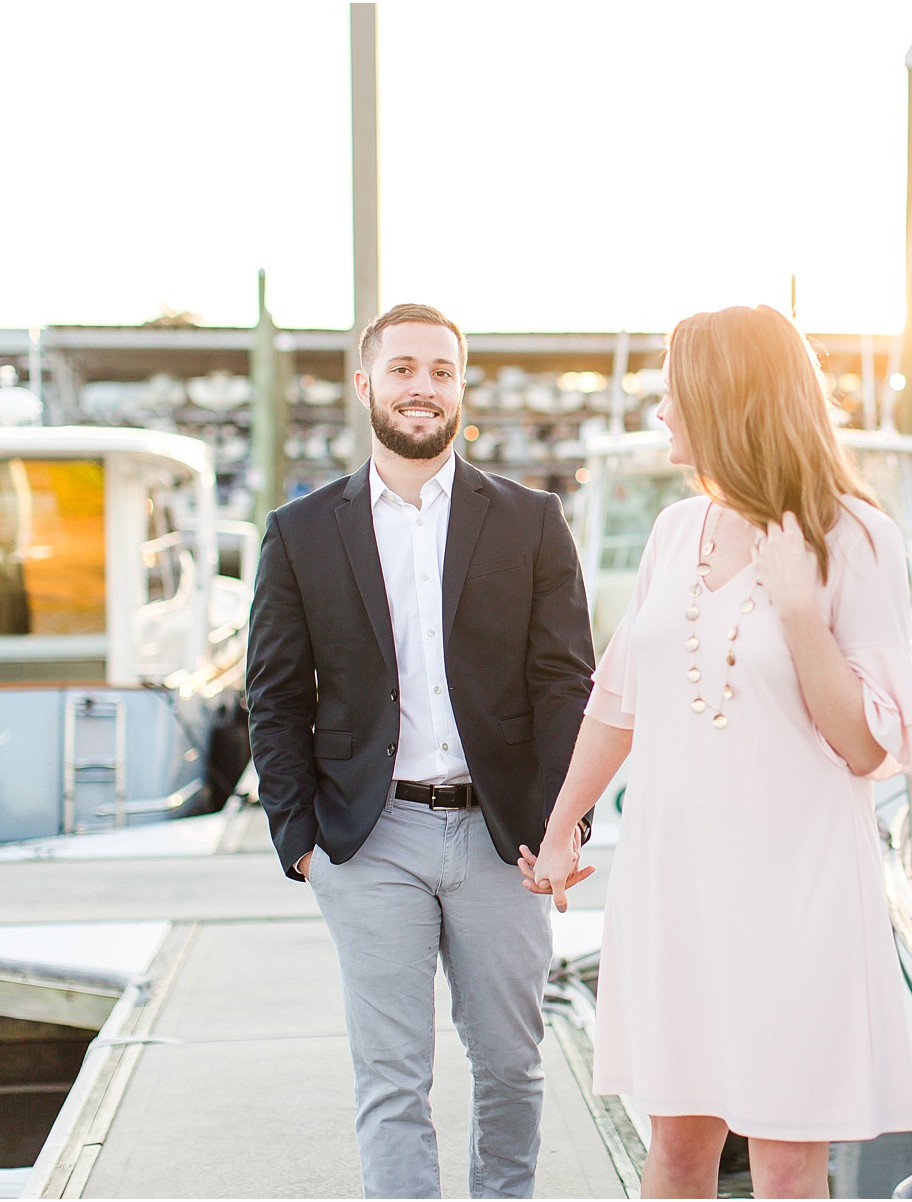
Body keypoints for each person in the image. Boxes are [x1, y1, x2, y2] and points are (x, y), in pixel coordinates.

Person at [523, 305, 912, 1198]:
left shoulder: (856, 539)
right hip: (678, 882)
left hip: (798, 889)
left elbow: (866, 746)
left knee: (788, 1158)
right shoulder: (677, 532)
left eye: (673, 391)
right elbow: (618, 699)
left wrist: (798, 613)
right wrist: (564, 828)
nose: (661, 409)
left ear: (726, 397)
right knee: (675, 1146)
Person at [246, 302, 595, 1198]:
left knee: (512, 1066)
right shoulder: (301, 533)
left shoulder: (530, 521)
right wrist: (298, 840)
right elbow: (276, 697)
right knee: (393, 1080)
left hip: (503, 835)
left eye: (440, 371)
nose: (422, 388)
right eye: (402, 369)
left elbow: (565, 686)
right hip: (368, 839)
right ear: (366, 385)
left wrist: (567, 821)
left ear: (461, 388)